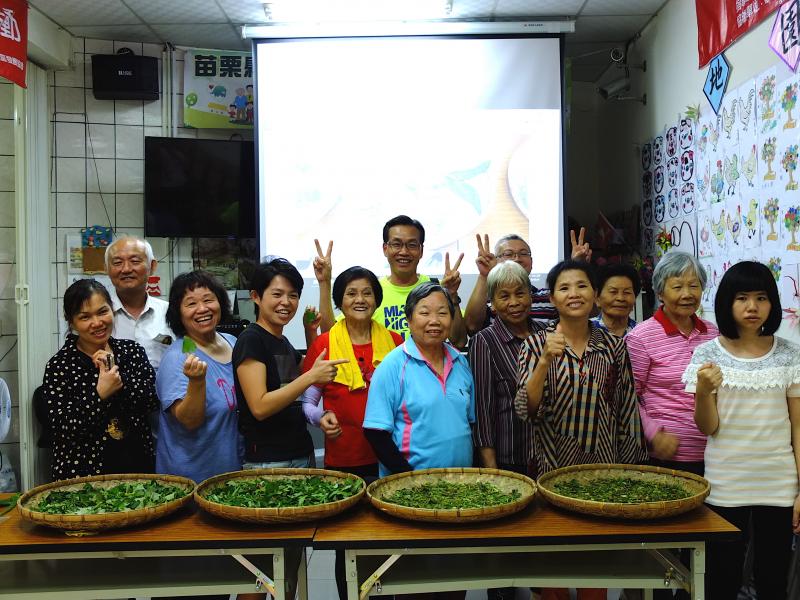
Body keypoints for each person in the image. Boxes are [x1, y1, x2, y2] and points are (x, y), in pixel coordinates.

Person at [514, 260, 647, 600]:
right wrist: (545, 361)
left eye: (582, 285)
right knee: (553, 569)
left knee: (594, 570)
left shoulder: (613, 346)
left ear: (595, 295)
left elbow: (625, 410)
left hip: (602, 473)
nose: (574, 293)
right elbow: (526, 409)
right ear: (552, 299)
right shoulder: (535, 344)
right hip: (550, 470)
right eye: (564, 288)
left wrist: (628, 471)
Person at [684, 261, 800, 600]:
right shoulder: (707, 354)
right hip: (725, 481)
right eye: (742, 298)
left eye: (762, 298)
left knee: (773, 578)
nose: (752, 307)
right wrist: (704, 390)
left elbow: (798, 425)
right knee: (722, 577)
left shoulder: (789, 354)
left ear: (772, 303)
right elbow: (708, 427)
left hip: (778, 482)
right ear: (726, 303)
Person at [301, 266, 403, 600]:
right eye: (351, 293)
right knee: (344, 543)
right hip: (343, 458)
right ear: (340, 300)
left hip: (388, 458)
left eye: (367, 292)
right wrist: (321, 417)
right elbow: (308, 401)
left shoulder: (397, 343)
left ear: (377, 298)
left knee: (387, 538)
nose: (360, 299)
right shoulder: (325, 344)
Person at [233, 258, 347, 470]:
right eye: (277, 294)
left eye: (293, 295)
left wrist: (310, 331)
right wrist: (311, 376)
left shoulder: (282, 341)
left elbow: (310, 367)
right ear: (256, 297)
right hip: (269, 460)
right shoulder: (251, 340)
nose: (286, 302)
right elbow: (259, 407)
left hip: (300, 450)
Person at [42, 279, 158, 481]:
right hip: (83, 475)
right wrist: (99, 394)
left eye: (102, 311)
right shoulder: (59, 365)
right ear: (71, 322)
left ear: (112, 310)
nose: (97, 323)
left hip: (136, 467)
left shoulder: (132, 351)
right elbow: (62, 429)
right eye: (85, 317)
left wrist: (117, 376)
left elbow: (151, 400)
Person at [364, 282, 475, 477]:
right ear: (408, 319)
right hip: (411, 486)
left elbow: (470, 422)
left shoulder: (460, 362)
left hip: (462, 482)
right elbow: (375, 433)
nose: (435, 321)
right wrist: (411, 479)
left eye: (442, 313)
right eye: (424, 313)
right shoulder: (392, 366)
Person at [626, 251, 717, 478]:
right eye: (677, 287)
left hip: (715, 452)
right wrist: (653, 433)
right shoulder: (641, 337)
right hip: (666, 456)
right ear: (660, 292)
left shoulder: (713, 333)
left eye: (694, 286)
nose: (687, 294)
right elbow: (628, 397)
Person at [316, 215, 467, 347]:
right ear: (385, 248)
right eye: (396, 244)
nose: (404, 251)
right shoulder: (371, 293)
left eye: (412, 245)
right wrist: (324, 283)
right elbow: (331, 335)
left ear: (421, 250)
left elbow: (459, 342)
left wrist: (452, 295)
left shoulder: (437, 289)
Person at [155, 271, 241, 483]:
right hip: (190, 481)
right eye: (191, 303)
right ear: (178, 313)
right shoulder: (178, 357)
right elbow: (190, 421)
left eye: (208, 300)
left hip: (232, 475)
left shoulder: (233, 343)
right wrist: (196, 382)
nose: (202, 309)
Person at [470, 261, 542, 475]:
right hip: (510, 460)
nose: (514, 302)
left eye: (520, 293)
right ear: (492, 304)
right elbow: (482, 410)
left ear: (530, 296)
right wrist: (492, 470)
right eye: (504, 296)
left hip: (551, 456)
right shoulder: (484, 341)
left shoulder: (546, 333)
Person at [463, 229, 592, 335]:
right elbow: (471, 327)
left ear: (531, 261)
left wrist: (577, 268)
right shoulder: (492, 300)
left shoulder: (549, 296)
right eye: (508, 254)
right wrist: (485, 275)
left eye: (523, 253)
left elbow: (589, 312)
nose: (517, 258)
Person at [105, 235, 173, 370]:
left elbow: (188, 353)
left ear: (152, 266)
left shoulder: (171, 313)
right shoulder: (98, 318)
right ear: (107, 269)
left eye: (135, 261)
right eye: (117, 263)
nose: (126, 269)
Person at [591, 262, 641, 337]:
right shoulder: (583, 331)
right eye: (613, 292)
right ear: (597, 298)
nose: (620, 298)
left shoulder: (643, 333)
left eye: (627, 292)